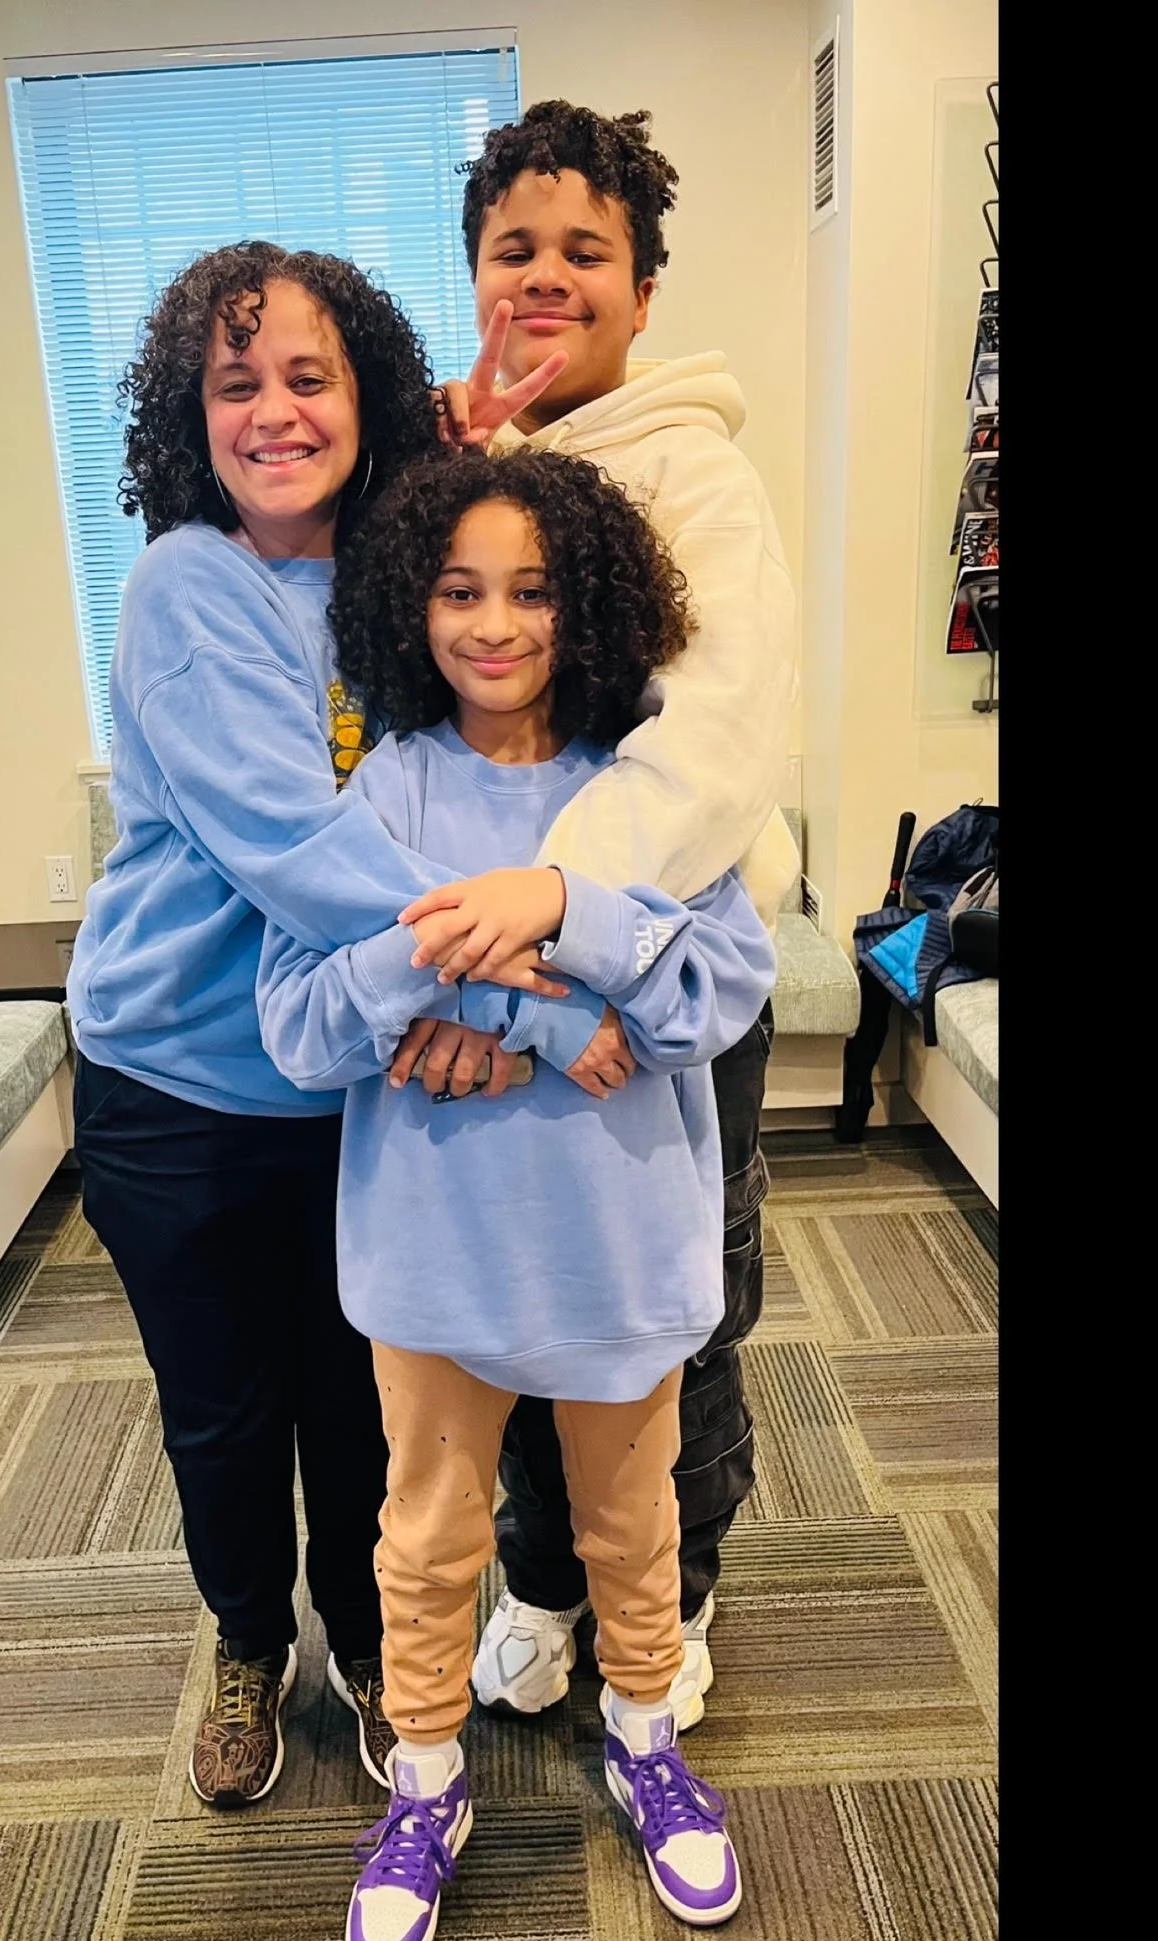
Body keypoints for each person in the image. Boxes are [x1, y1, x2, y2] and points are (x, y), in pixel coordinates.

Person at [257, 450, 777, 1941]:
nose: (495, 625)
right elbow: (301, 1022)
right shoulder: (388, 788)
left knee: (632, 1528)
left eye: (535, 590)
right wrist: (525, 1004)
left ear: (596, 600)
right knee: (426, 1541)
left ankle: (640, 1734)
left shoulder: (656, 787)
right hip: (434, 1250)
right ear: (409, 601)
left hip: (616, 1245)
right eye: (460, 589)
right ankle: (424, 1781)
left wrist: (558, 911)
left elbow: (714, 989)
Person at [64, 241, 564, 1810]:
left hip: (354, 1082)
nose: (274, 413)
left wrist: (483, 458)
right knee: (224, 1409)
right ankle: (241, 1640)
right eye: (237, 385)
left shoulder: (402, 570)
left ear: (365, 395)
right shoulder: (181, 586)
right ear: (186, 417)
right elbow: (298, 840)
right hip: (178, 1085)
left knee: (363, 1400)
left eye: (308, 377)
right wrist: (508, 975)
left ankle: (360, 1634)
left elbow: (507, 721)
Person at [400, 102, 802, 1729]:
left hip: (664, 983)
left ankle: (673, 1591)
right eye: (516, 251)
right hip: (495, 986)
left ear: (644, 289)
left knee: (668, 1307)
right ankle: (551, 1582)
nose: (549, 278)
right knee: (509, 1292)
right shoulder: (463, 474)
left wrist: (553, 907)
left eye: (588, 252)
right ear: (475, 276)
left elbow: (718, 730)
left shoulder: (694, 476)